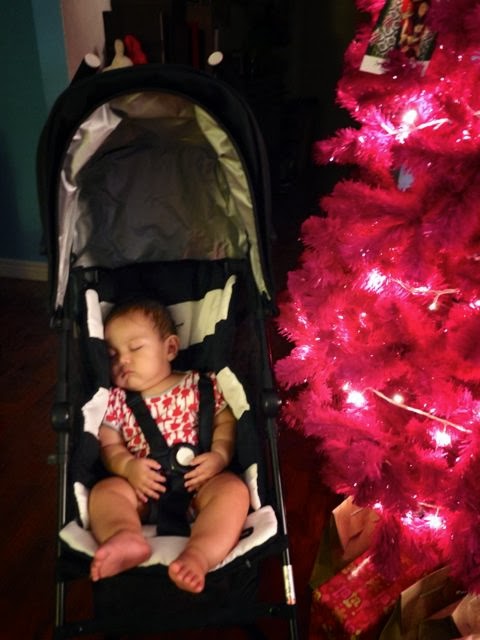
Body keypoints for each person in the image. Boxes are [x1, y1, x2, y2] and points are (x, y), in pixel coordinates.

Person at [88, 299, 250, 593]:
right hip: (143, 492)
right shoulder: (117, 401)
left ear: (170, 348)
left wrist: (219, 455)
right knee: (106, 491)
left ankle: (199, 555)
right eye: (113, 355)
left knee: (234, 491)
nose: (123, 361)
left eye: (135, 348)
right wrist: (128, 467)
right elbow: (109, 445)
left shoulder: (202, 385)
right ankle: (125, 536)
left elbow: (225, 422)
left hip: (201, 486)